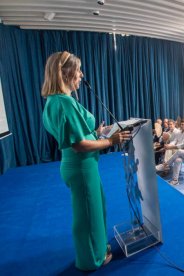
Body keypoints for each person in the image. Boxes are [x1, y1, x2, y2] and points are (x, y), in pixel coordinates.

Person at [41, 51, 132, 270]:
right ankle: (91, 260)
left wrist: (97, 132)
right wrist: (111, 140)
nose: (82, 75)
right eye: (79, 70)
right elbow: (79, 144)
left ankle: (97, 250)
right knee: (88, 216)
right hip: (81, 167)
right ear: (66, 72)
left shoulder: (57, 101)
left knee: (93, 210)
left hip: (82, 167)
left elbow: (79, 134)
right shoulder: (63, 102)